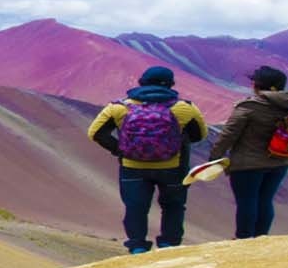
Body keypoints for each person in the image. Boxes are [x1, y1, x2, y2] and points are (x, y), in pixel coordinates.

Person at [88, 66, 207, 254]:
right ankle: (169, 244)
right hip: (172, 167)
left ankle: (137, 246)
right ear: (171, 84)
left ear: (141, 82)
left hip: (132, 167)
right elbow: (200, 134)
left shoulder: (119, 107)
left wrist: (120, 150)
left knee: (136, 206)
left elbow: (95, 133)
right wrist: (173, 143)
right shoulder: (184, 108)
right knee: (173, 206)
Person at [209, 66, 288, 240]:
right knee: (265, 200)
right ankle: (261, 238)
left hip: (248, 164)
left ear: (258, 85)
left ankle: (244, 239)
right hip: (280, 161)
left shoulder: (249, 107)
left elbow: (229, 134)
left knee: (247, 201)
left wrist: (215, 156)